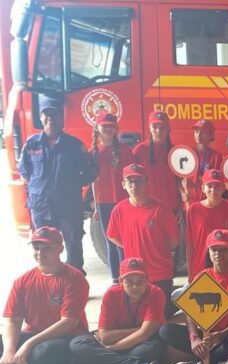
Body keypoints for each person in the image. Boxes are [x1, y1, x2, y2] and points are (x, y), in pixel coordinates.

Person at [0, 227, 90, 364]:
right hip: (33, 333)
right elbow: (12, 320)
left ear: (60, 249)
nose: (40, 253)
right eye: (36, 248)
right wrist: (8, 352)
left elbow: (68, 322)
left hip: (64, 337)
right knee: (5, 348)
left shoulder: (75, 278)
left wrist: (28, 344)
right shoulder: (22, 281)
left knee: (45, 353)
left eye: (47, 248)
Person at [162, 229, 228, 364]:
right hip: (207, 335)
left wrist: (222, 335)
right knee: (165, 330)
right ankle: (221, 360)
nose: (218, 253)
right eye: (214, 249)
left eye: (223, 249)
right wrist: (194, 338)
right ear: (208, 252)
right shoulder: (203, 275)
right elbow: (190, 313)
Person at [18, 104, 96, 272]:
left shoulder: (74, 145)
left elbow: (90, 171)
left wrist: (74, 184)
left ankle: (75, 280)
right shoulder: (31, 144)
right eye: (46, 115)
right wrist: (37, 186)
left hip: (68, 206)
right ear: (41, 119)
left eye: (54, 115)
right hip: (41, 206)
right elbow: (24, 169)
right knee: (43, 247)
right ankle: (48, 280)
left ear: (61, 119)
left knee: (73, 244)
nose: (50, 119)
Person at [69, 257, 165, 364]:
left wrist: (111, 348)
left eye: (140, 281)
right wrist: (140, 329)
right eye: (129, 281)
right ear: (120, 281)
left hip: (141, 342)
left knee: (148, 351)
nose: (135, 286)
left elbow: (145, 335)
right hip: (119, 341)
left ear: (147, 279)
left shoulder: (155, 293)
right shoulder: (111, 294)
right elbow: (105, 337)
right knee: (77, 344)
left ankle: (102, 362)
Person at [107, 164, 180, 319]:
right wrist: (129, 245)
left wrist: (156, 251)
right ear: (123, 184)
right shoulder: (119, 210)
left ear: (147, 183)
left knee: (162, 316)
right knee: (139, 317)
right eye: (130, 181)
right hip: (134, 274)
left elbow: (174, 240)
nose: (134, 186)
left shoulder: (160, 209)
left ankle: (174, 301)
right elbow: (112, 235)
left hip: (160, 273)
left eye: (139, 181)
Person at [90, 112, 134, 282]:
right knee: (110, 241)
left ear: (116, 129)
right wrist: (95, 206)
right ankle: (115, 279)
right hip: (104, 203)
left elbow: (133, 177)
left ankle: (127, 277)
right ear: (97, 128)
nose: (108, 129)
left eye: (111, 126)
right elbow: (93, 181)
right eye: (104, 126)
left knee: (123, 242)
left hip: (123, 202)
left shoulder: (125, 151)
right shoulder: (94, 153)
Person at [185, 169, 228, 281]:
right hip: (200, 269)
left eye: (217, 186)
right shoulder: (193, 210)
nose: (213, 190)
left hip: (227, 271)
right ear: (203, 188)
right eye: (209, 186)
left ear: (224, 188)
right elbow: (189, 244)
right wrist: (190, 272)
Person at [132, 110, 181, 212]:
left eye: (162, 127)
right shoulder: (140, 150)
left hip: (170, 206)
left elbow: (180, 182)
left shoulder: (175, 151)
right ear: (150, 128)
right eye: (155, 127)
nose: (158, 131)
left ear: (168, 129)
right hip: (147, 205)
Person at [181, 119, 223, 205]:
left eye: (203, 132)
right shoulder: (188, 153)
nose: (198, 135)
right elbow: (178, 179)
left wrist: (195, 185)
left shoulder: (216, 156)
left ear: (211, 135)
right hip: (189, 203)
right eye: (196, 132)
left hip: (208, 203)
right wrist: (182, 193)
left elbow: (216, 183)